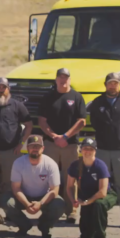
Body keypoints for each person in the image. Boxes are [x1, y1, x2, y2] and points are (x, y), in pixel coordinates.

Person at [88, 72, 120, 230]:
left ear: (119, 84)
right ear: (105, 84)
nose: (113, 85)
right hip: (102, 149)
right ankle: (97, 218)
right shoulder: (98, 102)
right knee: (99, 184)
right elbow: (95, 122)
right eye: (110, 83)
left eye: (116, 83)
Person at [38, 68, 86, 223]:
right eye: (60, 77)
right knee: (47, 177)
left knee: (71, 178)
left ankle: (72, 210)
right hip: (50, 144)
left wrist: (65, 136)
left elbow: (82, 121)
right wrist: (54, 136)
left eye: (66, 77)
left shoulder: (77, 97)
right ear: (56, 79)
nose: (63, 80)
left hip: (70, 145)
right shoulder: (48, 97)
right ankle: (47, 208)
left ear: (70, 80)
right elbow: (42, 120)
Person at [0, 135, 64, 238]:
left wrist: (40, 203)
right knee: (6, 201)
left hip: (44, 197)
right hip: (24, 196)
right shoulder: (19, 163)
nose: (35, 149)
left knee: (59, 204)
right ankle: (24, 225)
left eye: (38, 146)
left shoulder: (51, 164)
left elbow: (54, 190)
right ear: (27, 148)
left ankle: (44, 227)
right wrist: (26, 204)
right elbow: (16, 188)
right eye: (32, 146)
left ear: (43, 148)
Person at [66, 138, 117, 238]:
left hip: (106, 195)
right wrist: (73, 200)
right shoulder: (75, 165)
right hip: (87, 196)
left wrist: (87, 202)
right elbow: (69, 186)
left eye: (91, 149)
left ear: (95, 151)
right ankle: (89, 235)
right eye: (85, 148)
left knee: (99, 204)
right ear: (80, 150)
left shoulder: (100, 165)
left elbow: (103, 192)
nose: (87, 151)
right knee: (86, 236)